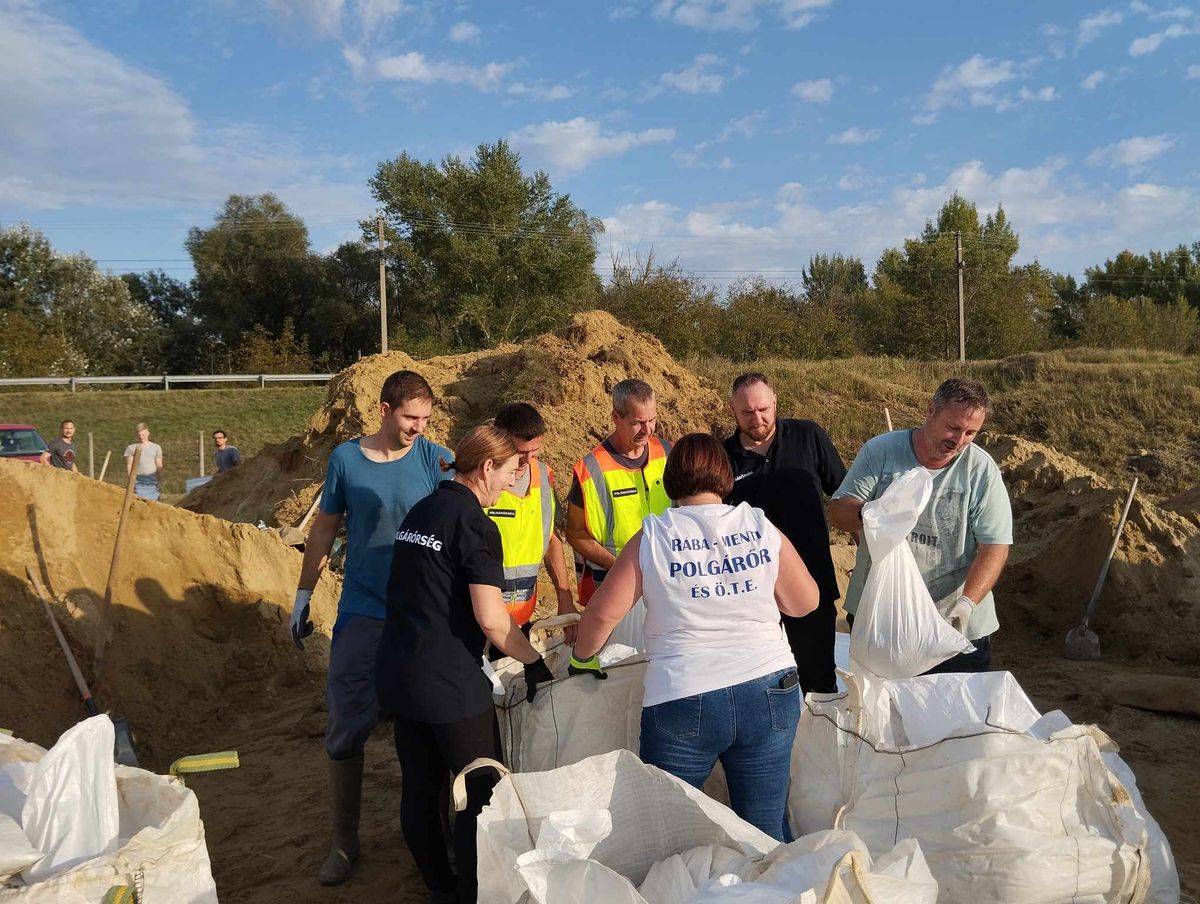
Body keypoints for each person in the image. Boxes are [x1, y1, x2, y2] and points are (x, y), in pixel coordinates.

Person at [569, 433, 819, 841]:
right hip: (770, 689)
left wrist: (583, 658)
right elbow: (805, 602)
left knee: (671, 832)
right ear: (725, 476)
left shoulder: (655, 534)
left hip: (685, 697)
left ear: (672, 479)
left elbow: (602, 614)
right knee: (766, 828)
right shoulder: (757, 523)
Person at [376, 425, 556, 904]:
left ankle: (438, 887)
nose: (510, 485)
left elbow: (431, 592)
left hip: (401, 672)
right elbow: (494, 621)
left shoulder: (422, 510)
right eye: (509, 473)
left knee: (420, 789)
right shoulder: (476, 524)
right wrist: (533, 659)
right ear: (486, 468)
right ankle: (471, 894)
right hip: (450, 684)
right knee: (480, 794)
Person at [288, 370, 451, 886]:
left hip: (425, 611)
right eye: (409, 418)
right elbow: (325, 528)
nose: (417, 428)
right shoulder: (346, 461)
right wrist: (303, 592)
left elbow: (468, 506)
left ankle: (441, 830)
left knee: (431, 719)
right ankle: (344, 841)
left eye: (425, 419)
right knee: (346, 720)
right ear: (384, 410)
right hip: (364, 609)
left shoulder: (433, 458)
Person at [828, 378, 1013, 672]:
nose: (959, 440)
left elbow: (995, 545)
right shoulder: (882, 451)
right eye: (953, 427)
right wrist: (871, 513)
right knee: (884, 709)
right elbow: (838, 512)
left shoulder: (980, 470)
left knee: (955, 715)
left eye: (971, 432)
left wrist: (967, 603)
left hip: (952, 627)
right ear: (930, 412)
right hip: (882, 617)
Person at [723, 373, 847, 695]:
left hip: (813, 584)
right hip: (755, 596)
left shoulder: (808, 436)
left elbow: (844, 494)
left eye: (763, 409)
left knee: (819, 681)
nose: (758, 418)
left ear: (775, 402)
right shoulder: (723, 458)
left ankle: (818, 742)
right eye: (747, 413)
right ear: (733, 412)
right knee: (767, 685)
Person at [565, 379, 672, 608]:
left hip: (666, 583)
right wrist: (620, 568)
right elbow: (575, 534)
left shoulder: (668, 453)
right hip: (611, 589)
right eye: (638, 422)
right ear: (616, 417)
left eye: (652, 420)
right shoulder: (591, 470)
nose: (647, 430)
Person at [487, 403, 575, 637]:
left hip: (521, 616)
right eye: (520, 451)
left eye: (535, 450)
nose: (527, 459)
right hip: (479, 616)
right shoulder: (478, 478)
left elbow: (551, 540)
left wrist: (564, 598)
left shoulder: (544, 477)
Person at [123, 423, 163, 499]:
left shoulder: (156, 448)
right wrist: (131, 482)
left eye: (143, 435)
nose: (141, 437)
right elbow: (129, 466)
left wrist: (160, 480)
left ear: (148, 433)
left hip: (152, 484)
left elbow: (159, 465)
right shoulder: (131, 448)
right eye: (139, 435)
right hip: (138, 484)